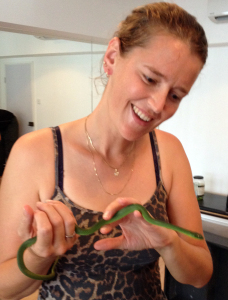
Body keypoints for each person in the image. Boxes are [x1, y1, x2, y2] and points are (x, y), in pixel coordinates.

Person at [0, 2, 213, 300]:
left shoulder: (168, 152)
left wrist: (169, 243)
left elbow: (200, 273)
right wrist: (39, 254)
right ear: (112, 57)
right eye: (150, 78)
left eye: (176, 95)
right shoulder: (35, 153)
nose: (158, 106)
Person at [0, 109, 19, 177]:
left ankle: (15, 173)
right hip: (2, 125)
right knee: (2, 149)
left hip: (10, 123)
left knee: (10, 149)